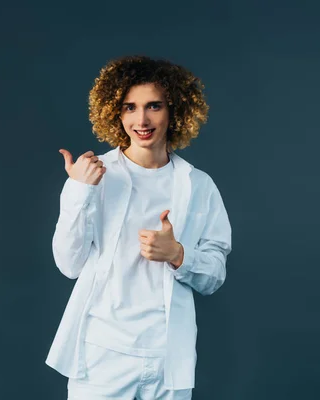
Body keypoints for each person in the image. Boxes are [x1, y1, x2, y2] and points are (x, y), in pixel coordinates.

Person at [46, 55, 232, 400]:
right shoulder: (92, 176)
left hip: (168, 357)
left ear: (174, 110)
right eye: (130, 107)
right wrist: (78, 191)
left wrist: (178, 255)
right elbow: (68, 265)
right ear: (115, 113)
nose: (142, 119)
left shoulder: (199, 185)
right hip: (101, 352)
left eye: (154, 106)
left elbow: (214, 275)